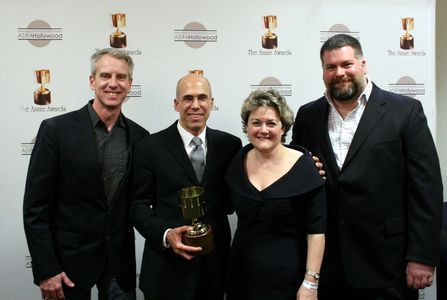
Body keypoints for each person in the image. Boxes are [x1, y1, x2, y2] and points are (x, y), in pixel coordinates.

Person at [291, 33, 444, 300]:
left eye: (347, 64)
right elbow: (297, 173)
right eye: (331, 67)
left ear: (363, 65)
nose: (339, 73)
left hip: (388, 264)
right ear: (323, 72)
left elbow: (426, 188)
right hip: (328, 266)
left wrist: (421, 256)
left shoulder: (405, 111)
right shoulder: (308, 115)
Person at [23, 48, 149, 300]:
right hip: (66, 266)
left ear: (130, 84)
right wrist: (46, 269)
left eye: (121, 77)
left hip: (118, 265)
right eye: (105, 75)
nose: (113, 83)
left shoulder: (141, 137)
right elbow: (36, 208)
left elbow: (139, 203)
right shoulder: (56, 130)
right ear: (92, 81)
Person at [130, 72, 242, 300]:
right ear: (176, 104)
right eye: (188, 98)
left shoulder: (230, 145)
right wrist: (166, 233)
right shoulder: (149, 147)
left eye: (202, 98)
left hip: (215, 269)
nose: (195, 105)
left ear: (212, 103)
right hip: (166, 270)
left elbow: (235, 199)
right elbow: (137, 205)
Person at [225, 89, 326, 300]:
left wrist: (310, 282)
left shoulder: (305, 166)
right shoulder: (237, 161)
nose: (263, 130)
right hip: (241, 276)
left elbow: (316, 231)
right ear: (247, 126)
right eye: (256, 122)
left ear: (284, 127)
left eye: (271, 123)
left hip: (289, 280)